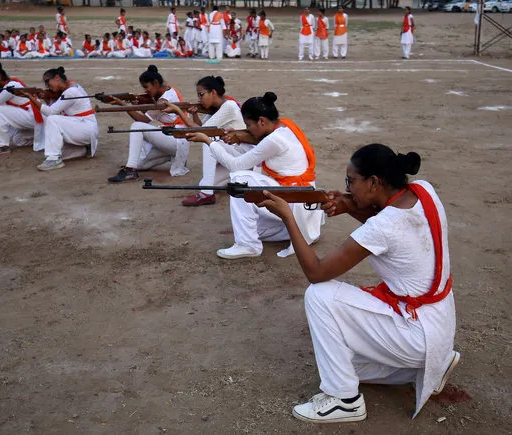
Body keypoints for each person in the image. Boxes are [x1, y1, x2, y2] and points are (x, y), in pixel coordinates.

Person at [256, 143, 458, 423]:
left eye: (351, 181)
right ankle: (431, 365)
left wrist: (289, 218)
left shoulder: (383, 226)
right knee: (345, 363)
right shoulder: (423, 191)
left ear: (374, 182)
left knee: (319, 295)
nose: (347, 188)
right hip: (439, 324)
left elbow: (316, 272)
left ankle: (344, 400)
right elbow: (391, 223)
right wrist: (351, 204)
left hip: (416, 332)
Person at [186, 92, 323, 257]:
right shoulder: (284, 126)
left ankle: (248, 245)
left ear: (262, 121)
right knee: (249, 225)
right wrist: (235, 136)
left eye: (249, 125)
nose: (248, 129)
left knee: (240, 180)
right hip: (297, 198)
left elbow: (236, 166)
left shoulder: (274, 140)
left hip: (295, 198)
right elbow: (245, 154)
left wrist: (208, 142)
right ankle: (291, 231)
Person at [164, 76, 247, 207]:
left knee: (209, 141)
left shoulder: (229, 106)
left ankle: (206, 194)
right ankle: (237, 180)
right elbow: (201, 126)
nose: (199, 99)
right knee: (204, 183)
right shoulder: (217, 109)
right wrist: (194, 114)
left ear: (213, 92)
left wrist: (179, 111)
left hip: (243, 157)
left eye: (201, 95)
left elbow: (202, 132)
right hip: (233, 158)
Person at [107, 65, 189, 183]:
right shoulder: (169, 90)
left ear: (155, 83)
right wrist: (138, 106)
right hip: (173, 137)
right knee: (139, 164)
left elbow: (142, 121)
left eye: (146, 87)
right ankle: (172, 156)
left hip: (176, 137)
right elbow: (155, 115)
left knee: (136, 127)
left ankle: (130, 170)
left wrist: (123, 105)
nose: (146, 91)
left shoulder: (163, 100)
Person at [20, 67, 98, 171]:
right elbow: (54, 108)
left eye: (48, 81)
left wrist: (32, 98)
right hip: (83, 128)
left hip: (86, 127)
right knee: (55, 147)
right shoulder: (70, 86)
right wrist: (46, 97)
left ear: (57, 78)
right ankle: (84, 149)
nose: (47, 86)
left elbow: (50, 112)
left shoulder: (71, 91)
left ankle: (54, 160)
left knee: (52, 120)